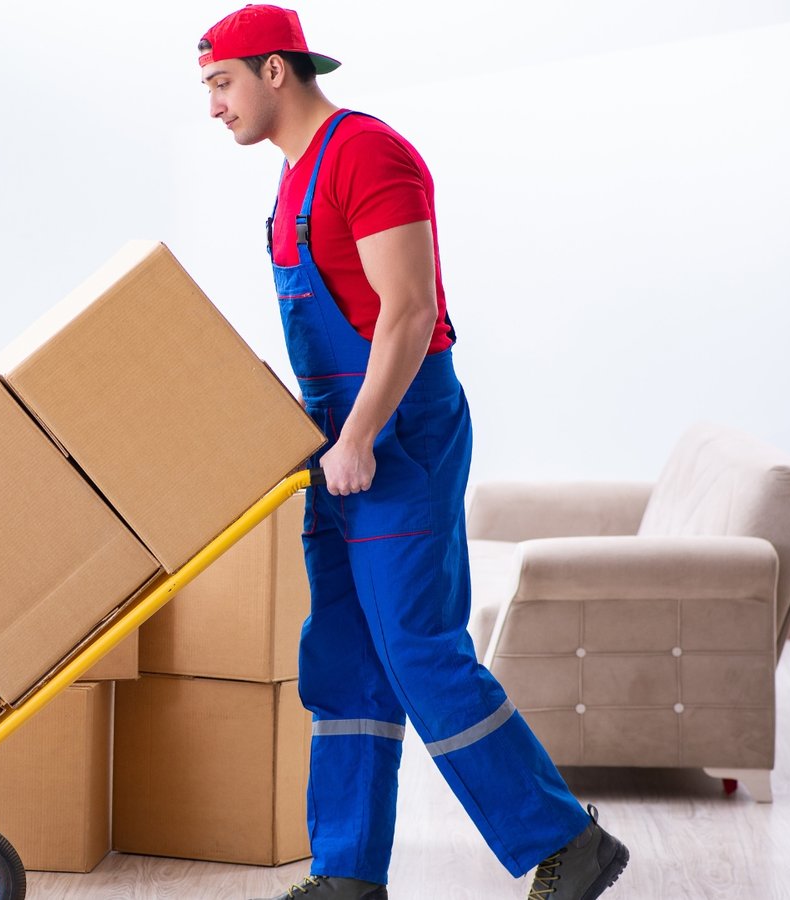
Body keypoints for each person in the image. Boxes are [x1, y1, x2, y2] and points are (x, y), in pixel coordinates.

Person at [195, 7, 629, 900]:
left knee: (419, 648)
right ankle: (347, 873)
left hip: (398, 438)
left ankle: (568, 841)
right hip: (337, 445)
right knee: (344, 656)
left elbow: (411, 311)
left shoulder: (367, 155)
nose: (213, 107)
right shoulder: (291, 182)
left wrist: (357, 437)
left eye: (221, 83)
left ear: (276, 70)